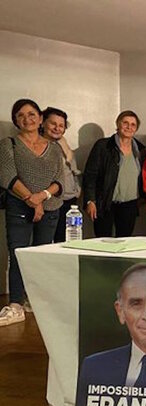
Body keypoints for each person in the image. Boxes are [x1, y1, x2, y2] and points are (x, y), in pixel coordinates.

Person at [0, 99, 64, 326]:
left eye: (32, 114)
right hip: (19, 207)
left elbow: (59, 180)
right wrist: (31, 199)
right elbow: (7, 176)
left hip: (50, 209)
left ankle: (33, 300)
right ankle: (16, 304)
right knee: (18, 254)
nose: (27, 119)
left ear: (39, 117)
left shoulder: (55, 148)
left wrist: (41, 197)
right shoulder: (9, 144)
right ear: (16, 120)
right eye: (21, 115)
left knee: (41, 257)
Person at [83, 110, 146, 237]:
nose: (129, 127)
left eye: (133, 125)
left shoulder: (140, 149)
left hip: (130, 205)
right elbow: (90, 175)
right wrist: (90, 200)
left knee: (124, 242)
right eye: (125, 123)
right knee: (103, 241)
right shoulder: (103, 146)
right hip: (105, 202)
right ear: (118, 124)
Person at [40, 107, 82, 243]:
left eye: (61, 125)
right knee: (44, 243)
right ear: (42, 122)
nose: (57, 128)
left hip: (69, 200)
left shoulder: (63, 144)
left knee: (65, 242)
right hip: (48, 201)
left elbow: (72, 170)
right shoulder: (38, 145)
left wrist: (77, 189)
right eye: (53, 124)